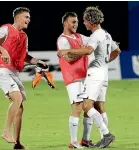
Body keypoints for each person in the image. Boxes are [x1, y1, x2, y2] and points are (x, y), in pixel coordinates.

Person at [58, 6, 121, 148]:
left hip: (95, 74)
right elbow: (117, 50)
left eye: (85, 21)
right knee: (100, 106)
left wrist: (67, 50)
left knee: (86, 106)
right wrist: (104, 61)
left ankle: (106, 134)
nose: (83, 23)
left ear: (91, 21)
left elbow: (88, 50)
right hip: (104, 73)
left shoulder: (95, 35)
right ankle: (103, 138)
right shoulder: (106, 34)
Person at [0, 7, 47, 149]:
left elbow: (25, 57)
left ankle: (17, 143)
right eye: (26, 17)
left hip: (14, 73)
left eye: (29, 18)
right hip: (2, 70)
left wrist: (38, 61)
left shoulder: (24, 36)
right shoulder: (6, 29)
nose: (29, 20)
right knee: (17, 98)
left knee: (19, 108)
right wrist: (2, 49)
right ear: (18, 17)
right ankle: (6, 131)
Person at [57, 12, 95, 148]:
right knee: (77, 108)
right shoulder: (62, 40)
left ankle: (85, 139)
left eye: (77, 22)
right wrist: (84, 51)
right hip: (73, 78)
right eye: (73, 22)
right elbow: (68, 58)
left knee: (88, 107)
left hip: (85, 77)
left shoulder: (79, 37)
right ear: (65, 23)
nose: (76, 25)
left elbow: (93, 42)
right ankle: (73, 141)